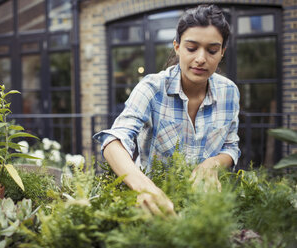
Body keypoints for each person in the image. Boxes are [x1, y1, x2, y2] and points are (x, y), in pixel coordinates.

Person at [93, 4, 240, 216]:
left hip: (205, 209)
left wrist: (212, 164)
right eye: (191, 48)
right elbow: (113, 141)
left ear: (222, 53)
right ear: (177, 47)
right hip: (154, 208)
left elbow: (231, 146)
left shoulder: (230, 92)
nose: (201, 58)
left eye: (212, 50)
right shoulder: (151, 88)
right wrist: (144, 187)